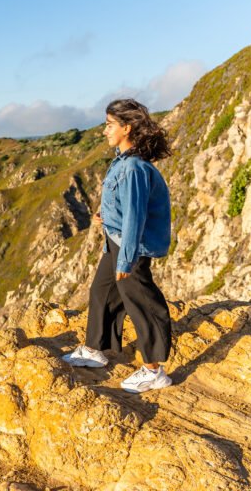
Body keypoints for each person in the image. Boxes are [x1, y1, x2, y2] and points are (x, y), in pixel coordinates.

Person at [63, 98, 173, 393]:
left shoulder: (134, 167)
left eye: (110, 125)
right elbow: (125, 207)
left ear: (127, 127)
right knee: (102, 292)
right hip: (116, 240)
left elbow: (136, 217)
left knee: (143, 303)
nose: (104, 130)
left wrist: (126, 261)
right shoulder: (122, 160)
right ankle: (97, 350)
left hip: (130, 247)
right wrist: (106, 216)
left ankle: (154, 370)